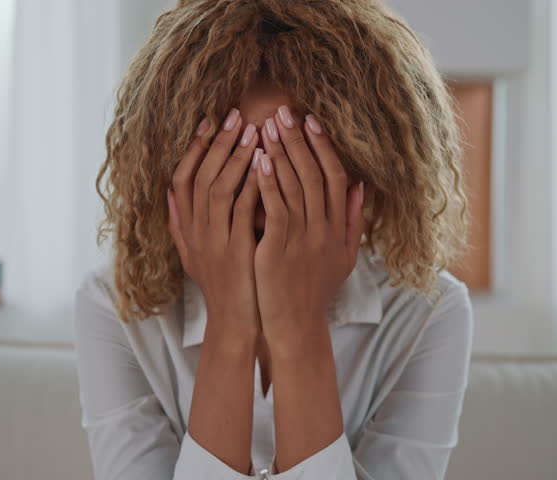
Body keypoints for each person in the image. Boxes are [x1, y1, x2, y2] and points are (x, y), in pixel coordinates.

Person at [73, 1, 474, 478]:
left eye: (295, 161)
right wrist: (230, 323)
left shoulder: (429, 312)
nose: (267, 193)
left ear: (362, 163)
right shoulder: (113, 308)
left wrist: (300, 327)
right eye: (234, 159)